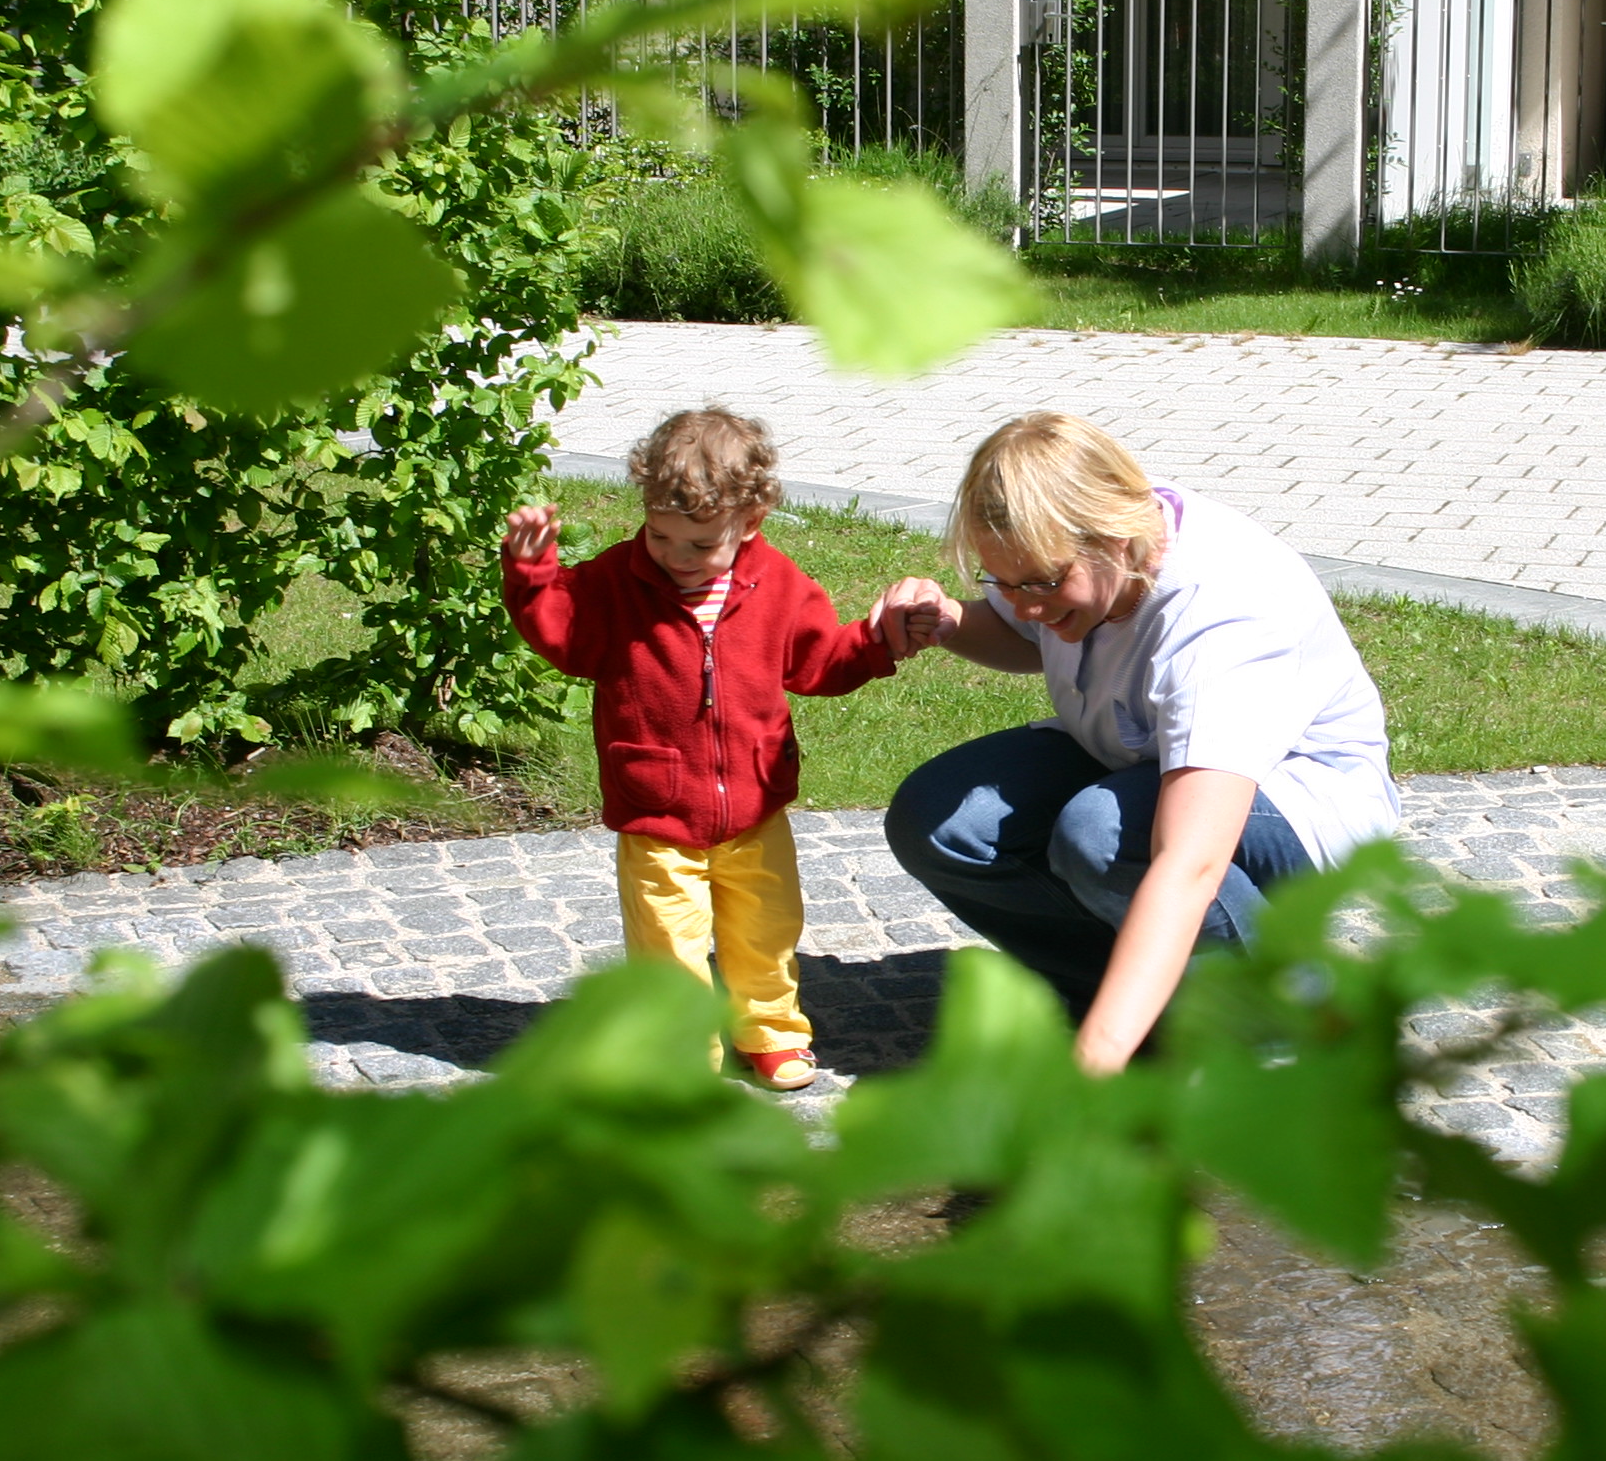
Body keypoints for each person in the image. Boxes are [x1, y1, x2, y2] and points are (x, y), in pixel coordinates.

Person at [874, 411, 1399, 1076]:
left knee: (1100, 834)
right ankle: (1134, 999)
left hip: (1293, 802)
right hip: (1132, 759)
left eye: (1041, 583)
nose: (1024, 604)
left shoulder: (1222, 610)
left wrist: (1095, 1064)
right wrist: (950, 620)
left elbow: (1190, 863)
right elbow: (1028, 635)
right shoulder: (1075, 556)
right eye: (1001, 581)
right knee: (941, 820)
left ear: (1116, 539)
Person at [504, 409, 906, 1091]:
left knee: (766, 931)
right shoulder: (615, 581)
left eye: (699, 544)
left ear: (751, 521)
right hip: (656, 806)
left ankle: (772, 1032)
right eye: (660, 535)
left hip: (755, 802)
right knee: (668, 944)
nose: (676, 556)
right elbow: (565, 635)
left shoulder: (778, 583)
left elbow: (819, 662)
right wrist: (533, 572)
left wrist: (877, 641)